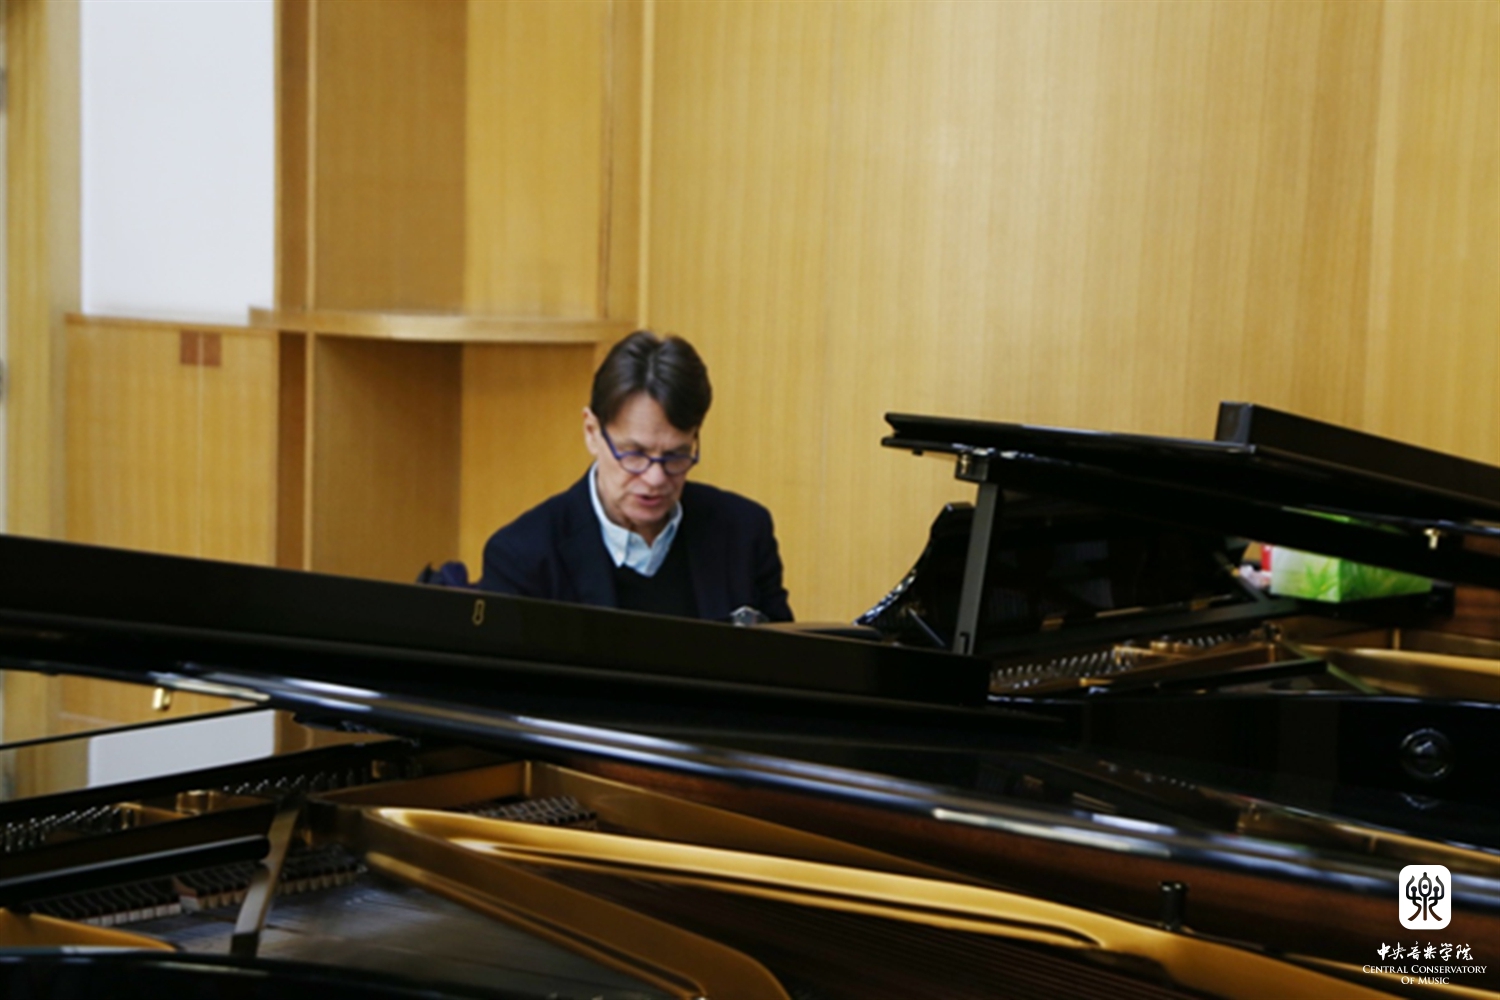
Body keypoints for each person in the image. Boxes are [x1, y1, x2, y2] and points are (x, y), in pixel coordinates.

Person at [478, 330, 793, 622]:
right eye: (635, 454)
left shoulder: (744, 533)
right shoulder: (524, 556)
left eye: (676, 455)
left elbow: (783, 660)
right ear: (591, 432)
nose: (655, 478)